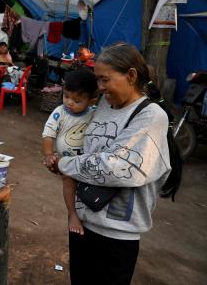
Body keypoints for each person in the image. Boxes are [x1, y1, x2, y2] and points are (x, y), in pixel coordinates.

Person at [54, 43, 182, 285]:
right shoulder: (103, 105)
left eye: (105, 80)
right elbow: (83, 145)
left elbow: (116, 167)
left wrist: (65, 164)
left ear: (131, 76)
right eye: (97, 80)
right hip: (83, 220)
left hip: (116, 233)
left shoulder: (151, 115)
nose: (100, 88)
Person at [42, 68, 98, 235]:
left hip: (87, 162)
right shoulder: (60, 113)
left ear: (92, 100)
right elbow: (48, 135)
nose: (70, 103)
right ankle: (73, 214)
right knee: (69, 183)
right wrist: (48, 155)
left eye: (77, 100)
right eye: (66, 96)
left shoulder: (95, 114)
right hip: (68, 163)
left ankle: (87, 216)